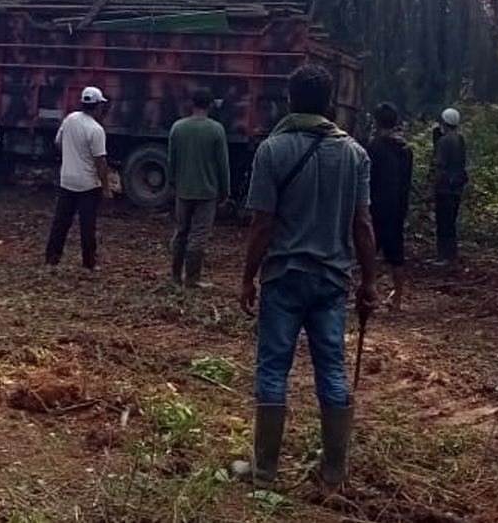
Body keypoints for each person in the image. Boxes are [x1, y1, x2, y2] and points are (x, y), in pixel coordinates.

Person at [239, 64, 379, 489]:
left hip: (283, 276)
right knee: (332, 370)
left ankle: (264, 472)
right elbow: (363, 225)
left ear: (289, 100)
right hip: (332, 281)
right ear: (331, 103)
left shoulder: (272, 150)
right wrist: (370, 282)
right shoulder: (354, 153)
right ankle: (334, 472)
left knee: (273, 369)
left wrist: (247, 278)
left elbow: (263, 224)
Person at [167, 88, 230, 288]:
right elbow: (223, 164)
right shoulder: (216, 129)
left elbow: (172, 161)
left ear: (191, 104)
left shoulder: (177, 127)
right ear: (210, 105)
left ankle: (176, 276)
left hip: (183, 190)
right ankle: (192, 280)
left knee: (181, 232)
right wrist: (225, 191)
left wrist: (173, 183)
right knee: (199, 236)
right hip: (207, 192)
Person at [45, 87, 112, 271]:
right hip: (88, 185)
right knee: (87, 225)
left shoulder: (70, 119)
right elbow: (100, 161)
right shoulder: (96, 130)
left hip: (67, 180)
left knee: (61, 222)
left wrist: (69, 156)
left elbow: (58, 142)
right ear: (97, 106)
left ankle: (52, 259)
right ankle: (88, 263)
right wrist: (106, 188)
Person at [366, 102, 412, 310]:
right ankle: (398, 298)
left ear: (376, 122)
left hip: (375, 209)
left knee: (368, 252)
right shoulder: (405, 150)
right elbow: (407, 182)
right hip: (397, 209)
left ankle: (368, 294)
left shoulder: (374, 148)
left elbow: (368, 179)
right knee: (396, 256)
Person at [430, 107, 467, 266]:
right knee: (450, 221)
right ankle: (451, 255)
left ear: (444, 122)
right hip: (457, 187)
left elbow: (439, 167)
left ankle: (443, 256)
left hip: (445, 187)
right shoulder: (460, 139)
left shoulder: (444, 141)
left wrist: (432, 188)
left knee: (443, 221)